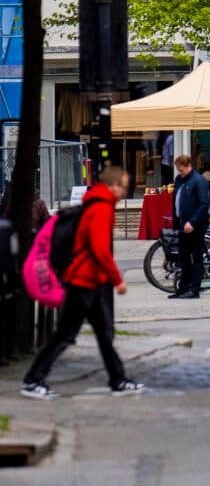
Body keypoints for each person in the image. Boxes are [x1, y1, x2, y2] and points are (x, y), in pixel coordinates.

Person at [21, 166, 144, 399]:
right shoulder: (101, 208)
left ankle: (118, 380)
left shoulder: (96, 203)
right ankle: (32, 379)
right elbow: (100, 248)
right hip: (84, 281)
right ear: (113, 185)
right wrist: (117, 279)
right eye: (123, 186)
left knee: (103, 334)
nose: (125, 192)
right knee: (67, 334)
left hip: (90, 281)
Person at [171, 155, 210, 299]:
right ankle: (183, 287)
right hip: (183, 224)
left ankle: (194, 290)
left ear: (188, 166)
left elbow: (204, 204)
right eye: (178, 171)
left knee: (195, 257)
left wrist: (192, 222)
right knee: (183, 257)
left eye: (181, 170)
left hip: (195, 226)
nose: (179, 173)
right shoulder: (180, 180)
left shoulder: (198, 181)